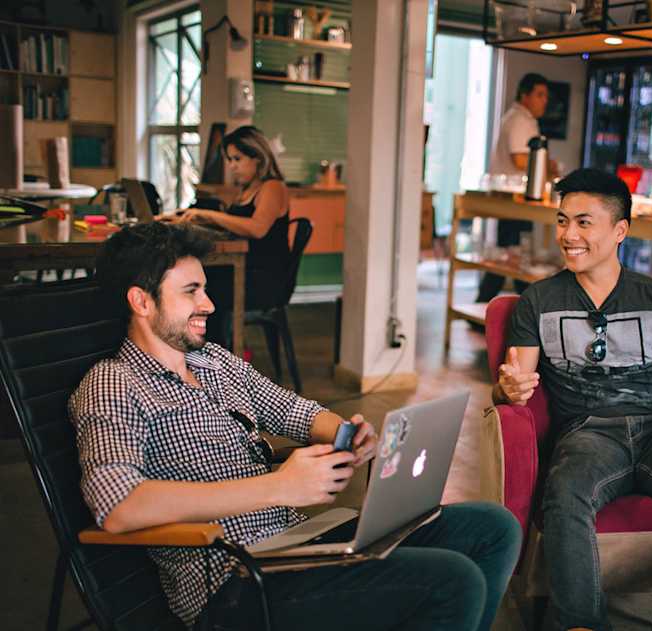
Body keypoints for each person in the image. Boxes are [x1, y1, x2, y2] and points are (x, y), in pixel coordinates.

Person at [69, 221, 522, 631]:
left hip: (295, 546)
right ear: (141, 301)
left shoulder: (214, 363)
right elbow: (118, 506)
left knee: (493, 527)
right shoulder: (113, 383)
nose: (208, 303)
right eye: (191, 291)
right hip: (235, 584)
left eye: (204, 288)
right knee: (452, 581)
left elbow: (297, 412)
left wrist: (347, 435)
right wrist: (279, 488)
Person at [494, 168, 652, 631]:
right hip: (586, 432)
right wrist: (508, 389)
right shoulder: (538, 300)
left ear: (620, 230)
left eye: (584, 222)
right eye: (562, 220)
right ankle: (580, 624)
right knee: (566, 492)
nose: (568, 235)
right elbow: (515, 381)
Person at [174, 125, 291, 347]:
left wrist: (209, 214)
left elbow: (257, 228)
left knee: (202, 290)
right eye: (229, 160)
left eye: (237, 159)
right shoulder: (247, 190)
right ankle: (201, 355)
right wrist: (197, 218)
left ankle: (215, 359)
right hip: (244, 269)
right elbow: (236, 225)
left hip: (263, 279)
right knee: (192, 282)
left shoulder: (273, 187)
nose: (232, 166)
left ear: (257, 157)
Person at [477, 73, 558, 304]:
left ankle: (493, 306)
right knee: (515, 257)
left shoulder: (518, 118)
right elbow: (521, 160)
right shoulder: (520, 120)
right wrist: (548, 165)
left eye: (546, 96)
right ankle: (522, 310)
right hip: (516, 199)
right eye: (540, 95)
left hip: (515, 200)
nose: (545, 101)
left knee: (511, 257)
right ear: (525, 95)